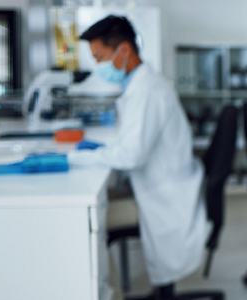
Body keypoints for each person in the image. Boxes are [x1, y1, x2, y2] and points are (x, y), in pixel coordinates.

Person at [68, 15, 210, 295]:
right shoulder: (140, 86)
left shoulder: (148, 91)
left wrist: (73, 159)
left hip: (166, 195)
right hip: (162, 184)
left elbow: (131, 156)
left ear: (124, 50)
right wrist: (101, 150)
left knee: (92, 222)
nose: (98, 65)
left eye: (100, 57)